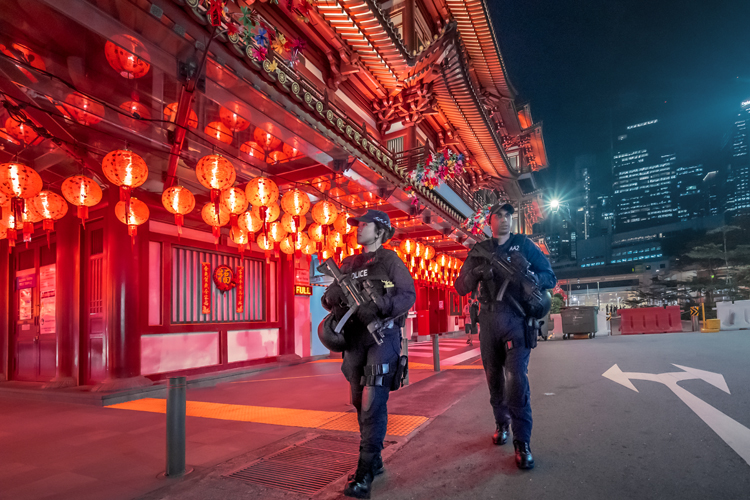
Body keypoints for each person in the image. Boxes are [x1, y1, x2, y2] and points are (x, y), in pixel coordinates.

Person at [321, 209, 416, 499]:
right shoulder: (348, 262)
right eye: (358, 224)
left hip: (382, 335)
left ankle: (364, 471)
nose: (359, 228)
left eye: (365, 225)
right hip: (354, 340)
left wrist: (379, 306)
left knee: (372, 401)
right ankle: (374, 459)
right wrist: (334, 295)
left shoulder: (390, 260)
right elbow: (328, 300)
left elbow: (407, 294)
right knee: (357, 399)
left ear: (381, 230)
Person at [454, 203, 556, 470]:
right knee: (493, 380)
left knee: (516, 381)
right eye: (498, 216)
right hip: (487, 323)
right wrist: (476, 273)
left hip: (517, 321)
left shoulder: (524, 245)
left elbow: (550, 277)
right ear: (489, 221)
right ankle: (501, 423)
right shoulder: (480, 250)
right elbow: (460, 286)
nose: (505, 220)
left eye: (508, 215)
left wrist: (530, 275)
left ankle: (522, 442)